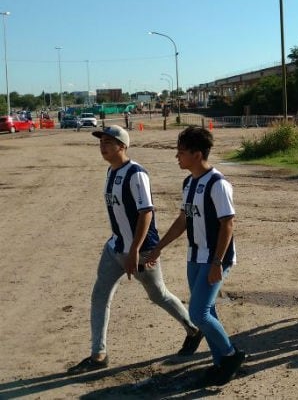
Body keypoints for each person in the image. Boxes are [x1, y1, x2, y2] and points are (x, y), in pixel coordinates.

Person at [68, 125, 201, 374]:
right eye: (101, 142)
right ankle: (99, 354)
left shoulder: (136, 174)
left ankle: (193, 329)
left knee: (158, 295)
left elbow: (146, 213)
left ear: (122, 146)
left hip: (140, 251)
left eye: (109, 141)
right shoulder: (110, 171)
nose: (103, 146)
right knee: (99, 296)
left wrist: (135, 251)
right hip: (115, 247)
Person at [146, 126, 245, 386]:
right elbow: (183, 220)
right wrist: (159, 247)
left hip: (214, 259)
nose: (177, 157)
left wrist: (218, 263)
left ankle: (231, 355)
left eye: (181, 153)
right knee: (208, 310)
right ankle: (219, 364)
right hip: (194, 257)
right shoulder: (189, 182)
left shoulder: (218, 184)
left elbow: (228, 224)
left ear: (197, 154)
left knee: (199, 313)